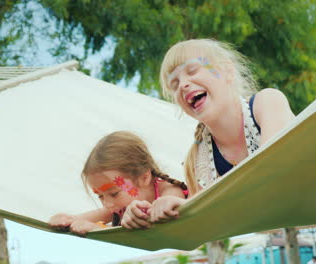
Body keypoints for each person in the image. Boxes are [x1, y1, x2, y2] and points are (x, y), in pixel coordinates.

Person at [153, 38, 295, 222]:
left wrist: (193, 202)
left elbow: (270, 168)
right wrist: (160, 208)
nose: (182, 85)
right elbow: (206, 214)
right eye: (174, 84)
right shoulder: (200, 159)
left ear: (228, 71)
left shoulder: (267, 102)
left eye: (193, 71)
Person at [48, 131, 188, 235]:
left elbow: (153, 233)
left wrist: (99, 229)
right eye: (100, 196)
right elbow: (77, 221)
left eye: (114, 193)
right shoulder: (118, 206)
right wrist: (64, 220)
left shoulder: (170, 193)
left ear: (144, 178)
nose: (107, 204)